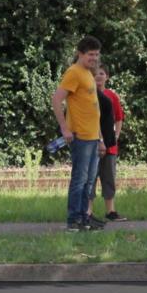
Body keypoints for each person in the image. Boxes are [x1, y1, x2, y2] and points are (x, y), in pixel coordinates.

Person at [50, 36, 106, 232]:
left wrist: (100, 138)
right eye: (90, 54)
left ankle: (85, 217)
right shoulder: (74, 72)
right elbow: (56, 99)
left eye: (97, 54)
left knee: (89, 181)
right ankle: (73, 220)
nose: (94, 58)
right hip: (80, 136)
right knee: (80, 180)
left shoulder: (88, 73)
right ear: (80, 54)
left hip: (92, 137)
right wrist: (64, 128)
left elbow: (94, 108)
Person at [88, 65, 128, 221]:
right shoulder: (88, 94)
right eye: (95, 73)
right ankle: (88, 212)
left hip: (110, 146)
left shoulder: (112, 96)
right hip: (91, 143)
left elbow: (119, 118)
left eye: (102, 73)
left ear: (107, 77)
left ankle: (110, 211)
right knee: (90, 178)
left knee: (109, 177)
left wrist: (116, 136)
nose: (98, 76)